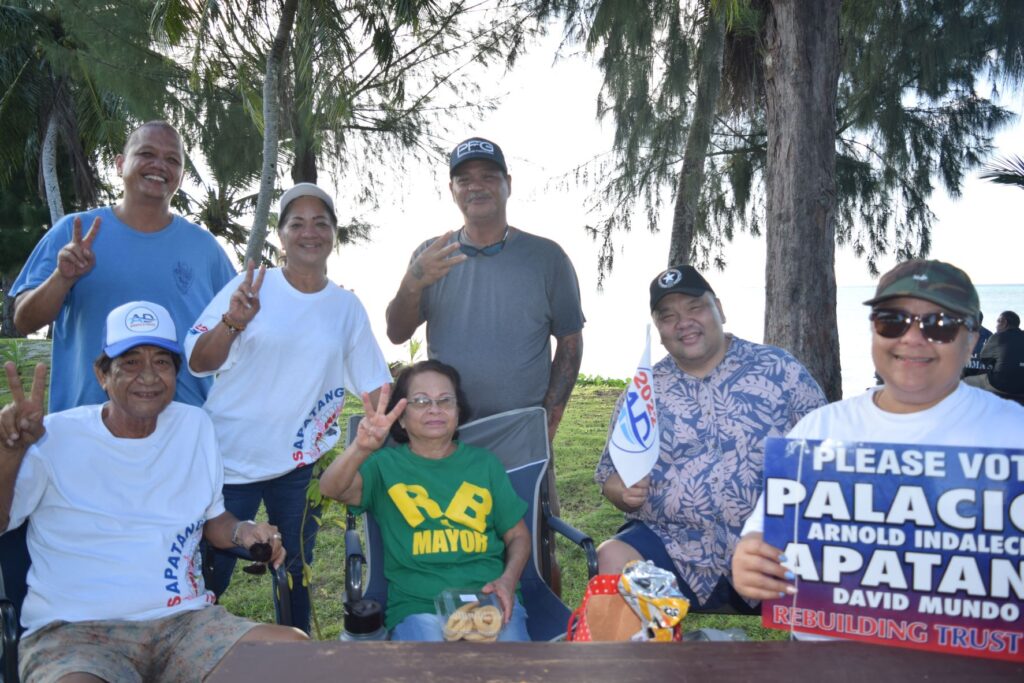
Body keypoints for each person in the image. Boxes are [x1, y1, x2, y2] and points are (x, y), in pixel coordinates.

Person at [0, 301, 306, 683]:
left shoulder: (194, 426)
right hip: (77, 631)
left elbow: (213, 519)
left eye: (162, 362)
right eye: (130, 362)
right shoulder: (53, 437)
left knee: (296, 656)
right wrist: (9, 453)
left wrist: (242, 530)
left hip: (184, 624)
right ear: (102, 374)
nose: (148, 375)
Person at [732, 260, 1024, 633]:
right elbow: (763, 535)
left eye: (940, 324)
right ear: (873, 330)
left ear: (971, 340)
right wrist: (751, 559)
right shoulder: (820, 429)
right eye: (892, 320)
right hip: (828, 657)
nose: (913, 338)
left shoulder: (1015, 434)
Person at [185, 183, 392, 634]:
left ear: (334, 233)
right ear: (280, 236)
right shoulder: (250, 289)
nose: (309, 232)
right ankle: (187, 645)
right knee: (208, 573)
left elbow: (376, 384)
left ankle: (299, 652)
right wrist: (233, 322)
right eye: (296, 223)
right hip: (229, 462)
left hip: (299, 467)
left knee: (296, 569)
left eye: (320, 223)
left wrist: (412, 408)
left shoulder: (345, 307)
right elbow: (199, 362)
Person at [384, 136, 585, 593]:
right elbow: (397, 331)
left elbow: (571, 340)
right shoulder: (431, 254)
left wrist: (548, 419)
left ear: (508, 184)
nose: (476, 186)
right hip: (447, 433)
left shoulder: (547, 257)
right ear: (452, 190)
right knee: (452, 541)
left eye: (488, 177)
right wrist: (414, 282)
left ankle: (544, 629)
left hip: (522, 432)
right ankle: (455, 621)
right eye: (464, 179)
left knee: (535, 542)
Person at [594, 265, 827, 613]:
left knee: (833, 565)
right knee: (612, 556)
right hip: (675, 546)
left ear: (719, 308)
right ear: (659, 330)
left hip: (771, 543)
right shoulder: (644, 391)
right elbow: (608, 475)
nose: (683, 322)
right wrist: (622, 491)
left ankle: (810, 648)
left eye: (695, 308)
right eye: (668, 316)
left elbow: (828, 452)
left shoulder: (780, 370)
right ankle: (651, 647)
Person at [10, 120, 235, 413]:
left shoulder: (205, 248)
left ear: (180, 175)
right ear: (120, 164)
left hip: (183, 426)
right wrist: (61, 279)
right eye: (146, 154)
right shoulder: (74, 232)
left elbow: (241, 328)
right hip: (87, 423)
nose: (159, 165)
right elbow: (24, 321)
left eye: (172, 160)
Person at [319, 360, 532, 641]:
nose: (434, 409)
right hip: (420, 606)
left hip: (490, 599)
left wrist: (508, 580)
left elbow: (518, 535)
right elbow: (330, 488)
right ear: (401, 418)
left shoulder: (485, 464)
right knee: (432, 665)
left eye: (445, 400)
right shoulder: (384, 466)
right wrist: (360, 448)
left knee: (512, 666)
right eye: (420, 401)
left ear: (458, 411)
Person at [964, 309, 1024, 398]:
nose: (996, 326)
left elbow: (984, 358)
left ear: (1004, 322)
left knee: (964, 382)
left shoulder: (997, 337)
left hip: (1000, 385)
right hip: (1022, 387)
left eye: (998, 321)